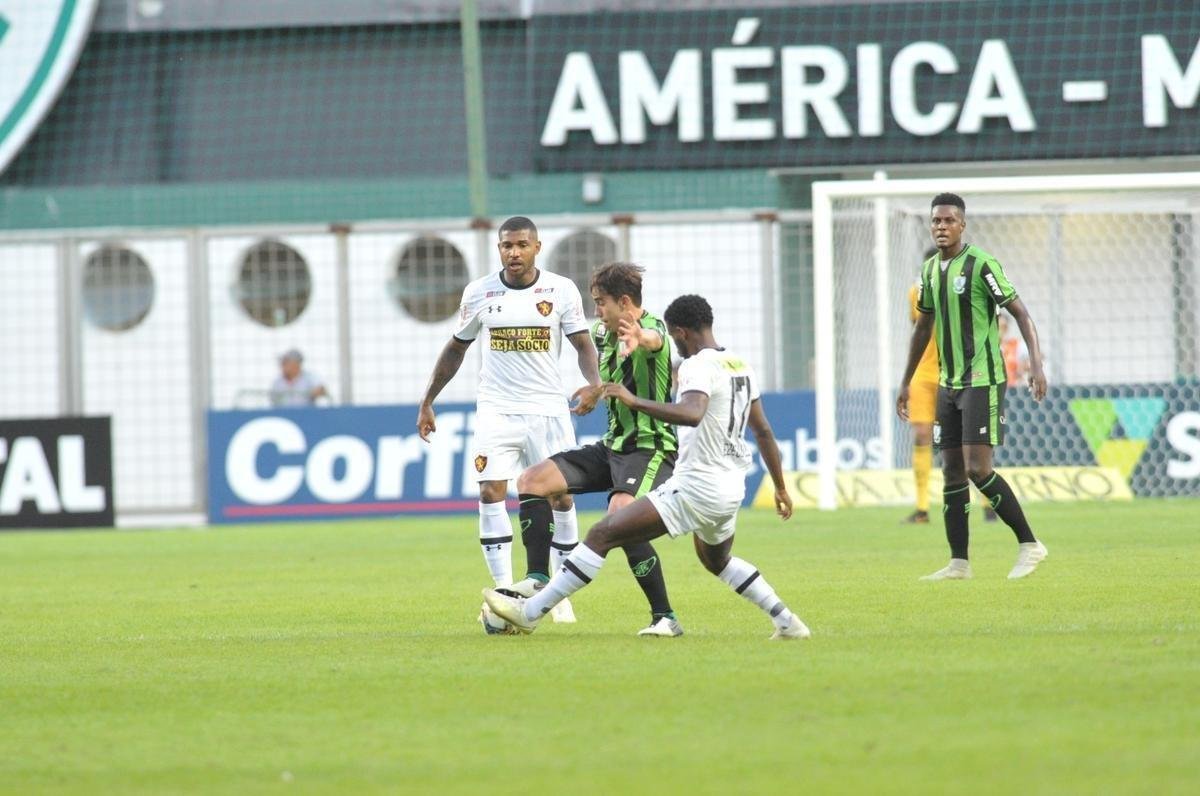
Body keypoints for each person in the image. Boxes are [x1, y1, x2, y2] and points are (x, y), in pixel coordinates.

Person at [483, 294, 810, 640]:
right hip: (731, 490)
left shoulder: (696, 366)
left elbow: (692, 413)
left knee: (603, 533)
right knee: (717, 561)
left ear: (681, 332)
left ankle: (529, 613)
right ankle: (787, 622)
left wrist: (633, 400)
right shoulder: (739, 365)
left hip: (697, 487)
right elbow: (763, 431)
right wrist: (781, 487)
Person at [417, 216, 602, 626]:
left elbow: (583, 345)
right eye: (506, 246)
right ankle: (504, 591)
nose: (514, 252)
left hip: (548, 408)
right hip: (496, 408)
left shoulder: (560, 290)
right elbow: (456, 348)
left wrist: (596, 385)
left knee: (561, 497)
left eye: (521, 245)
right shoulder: (479, 292)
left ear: (537, 247)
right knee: (490, 492)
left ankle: (558, 592)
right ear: (499, 249)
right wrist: (428, 400)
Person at [513, 262, 683, 637]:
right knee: (532, 480)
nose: (596, 310)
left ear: (625, 302)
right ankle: (537, 578)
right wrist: (596, 389)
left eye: (601, 302)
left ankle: (665, 616)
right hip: (613, 447)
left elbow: (654, 341)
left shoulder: (653, 328)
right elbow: (611, 377)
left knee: (621, 517)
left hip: (650, 448)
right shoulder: (601, 334)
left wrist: (639, 337)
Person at [896, 193, 1049, 581]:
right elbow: (923, 329)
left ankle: (1030, 544)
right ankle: (959, 563)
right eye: (936, 221)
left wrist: (1035, 364)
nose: (941, 226)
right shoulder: (929, 271)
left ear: (962, 225)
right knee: (951, 471)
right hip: (947, 383)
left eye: (949, 220)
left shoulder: (982, 264)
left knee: (978, 469)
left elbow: (1021, 313)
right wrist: (906, 380)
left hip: (982, 379)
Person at [903, 250, 998, 525]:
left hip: (959, 372)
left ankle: (988, 503)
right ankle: (922, 509)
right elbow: (919, 329)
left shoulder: (969, 287)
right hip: (924, 372)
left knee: (970, 441)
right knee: (922, 435)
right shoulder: (915, 292)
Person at [998, 314, 1030, 387]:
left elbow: (1031, 361)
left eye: (1003, 327)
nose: (1000, 331)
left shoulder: (1016, 345)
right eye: (998, 327)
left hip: (1012, 387)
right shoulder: (984, 348)